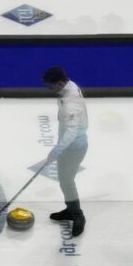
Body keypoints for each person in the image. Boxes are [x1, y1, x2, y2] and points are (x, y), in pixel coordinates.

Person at [42, 66, 87, 237]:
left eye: (50, 85)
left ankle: (77, 215)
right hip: (68, 146)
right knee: (64, 181)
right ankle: (70, 208)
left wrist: (55, 152)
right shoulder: (70, 86)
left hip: (74, 148)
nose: (49, 89)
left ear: (60, 83)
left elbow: (71, 133)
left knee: (67, 181)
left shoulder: (71, 103)